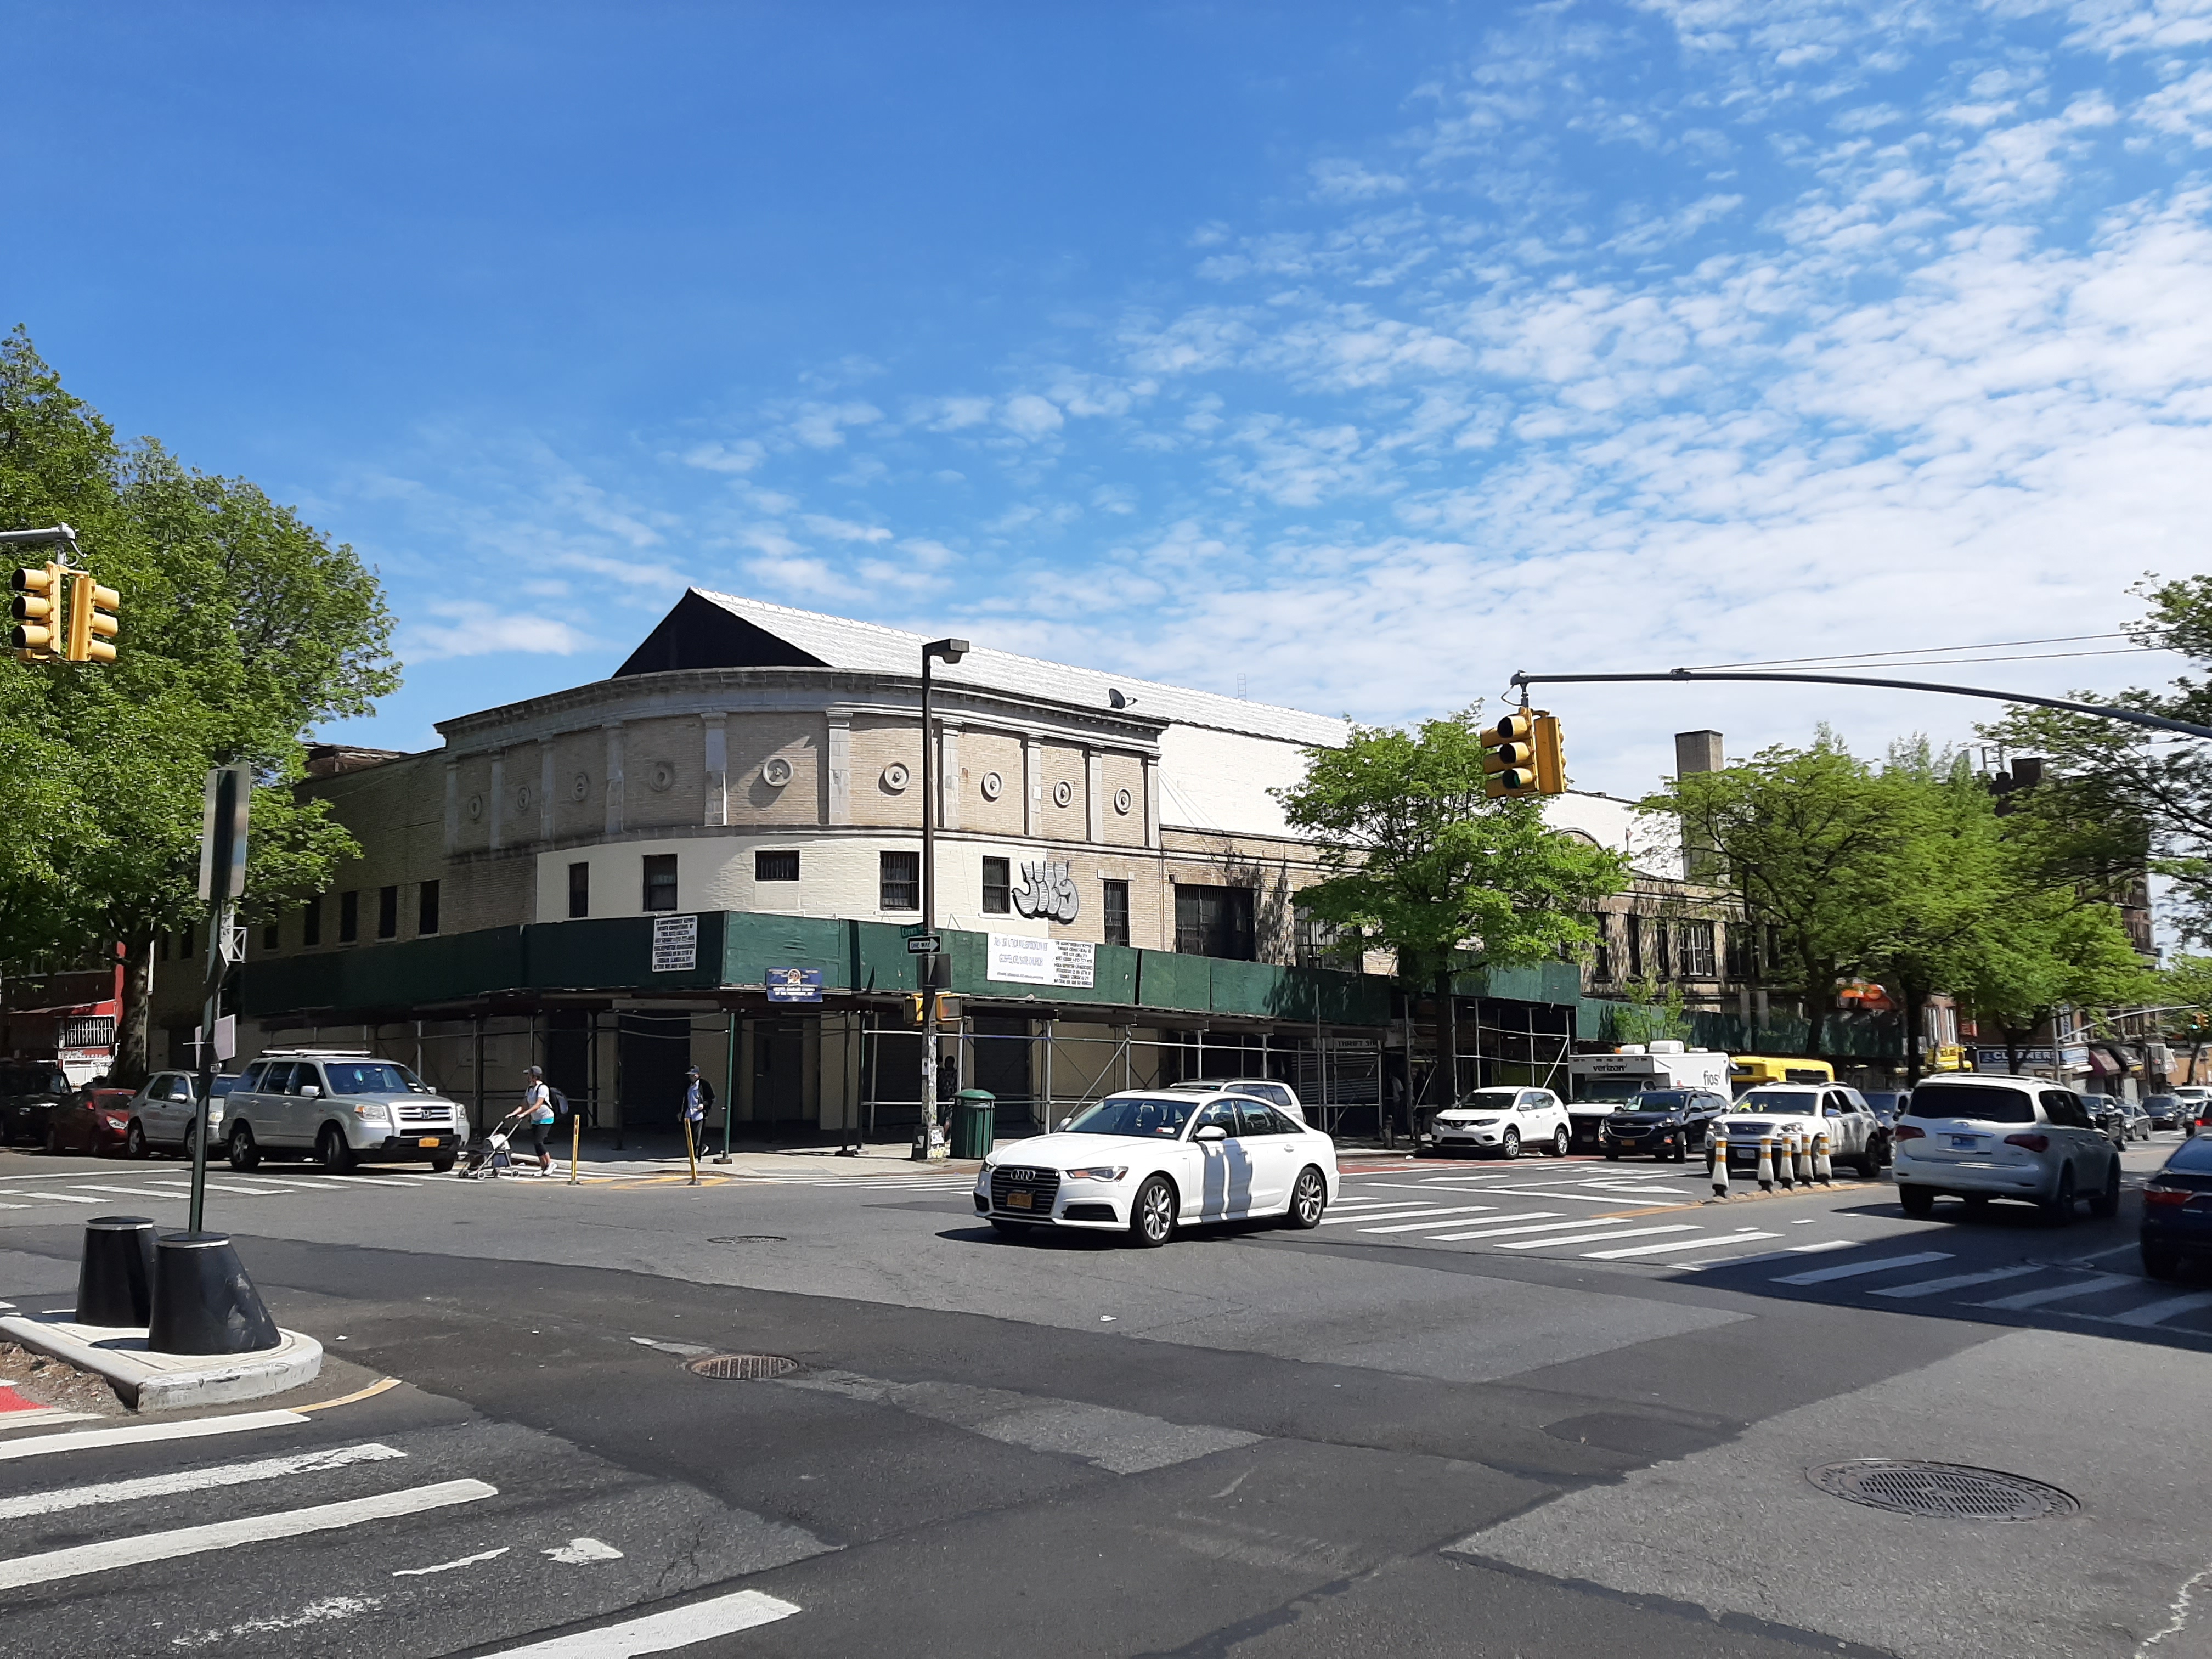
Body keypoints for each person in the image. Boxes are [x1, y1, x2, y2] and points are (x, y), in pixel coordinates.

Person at [520, 1065, 555, 1176]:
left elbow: (538, 1105)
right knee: (536, 1144)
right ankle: (543, 1167)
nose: (528, 1077)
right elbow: (524, 1105)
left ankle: (550, 1163)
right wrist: (513, 1114)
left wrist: (525, 1114)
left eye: (529, 1075)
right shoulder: (530, 1089)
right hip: (536, 1119)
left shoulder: (543, 1088)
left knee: (539, 1141)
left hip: (546, 1118)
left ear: (535, 1077)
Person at [680, 1065, 714, 1158]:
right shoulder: (688, 1086)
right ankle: (696, 1152)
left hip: (699, 1114)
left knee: (697, 1135)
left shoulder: (704, 1085)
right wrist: (682, 1112)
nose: (692, 1077)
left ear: (698, 1075)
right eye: (690, 1075)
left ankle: (697, 1155)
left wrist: (703, 1105)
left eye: (693, 1075)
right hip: (689, 1113)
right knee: (690, 1136)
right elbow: (685, 1100)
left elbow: (711, 1098)